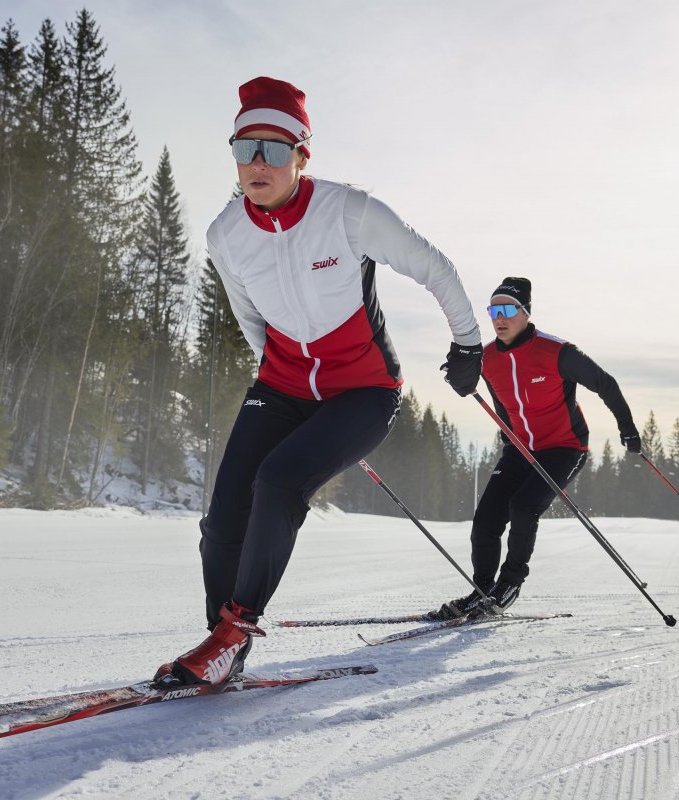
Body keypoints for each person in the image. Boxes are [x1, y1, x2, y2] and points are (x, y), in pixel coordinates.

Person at [155, 77, 483, 686]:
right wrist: (284, 385)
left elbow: (435, 268)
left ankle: (234, 632)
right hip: (283, 386)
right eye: (245, 147)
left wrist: (469, 343)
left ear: (302, 156)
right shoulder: (226, 234)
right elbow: (248, 315)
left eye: (275, 149)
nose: (258, 162)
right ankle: (222, 644)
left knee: (278, 482)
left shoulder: (349, 212)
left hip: (363, 390)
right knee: (223, 518)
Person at [426, 277, 641, 620]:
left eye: (509, 309)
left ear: (526, 314)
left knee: (524, 508)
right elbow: (482, 389)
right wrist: (458, 374)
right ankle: (482, 591)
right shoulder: (488, 357)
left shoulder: (557, 351)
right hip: (519, 450)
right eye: (494, 309)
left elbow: (605, 383)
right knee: (485, 520)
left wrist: (627, 428)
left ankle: (509, 584)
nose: (500, 317)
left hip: (564, 447)